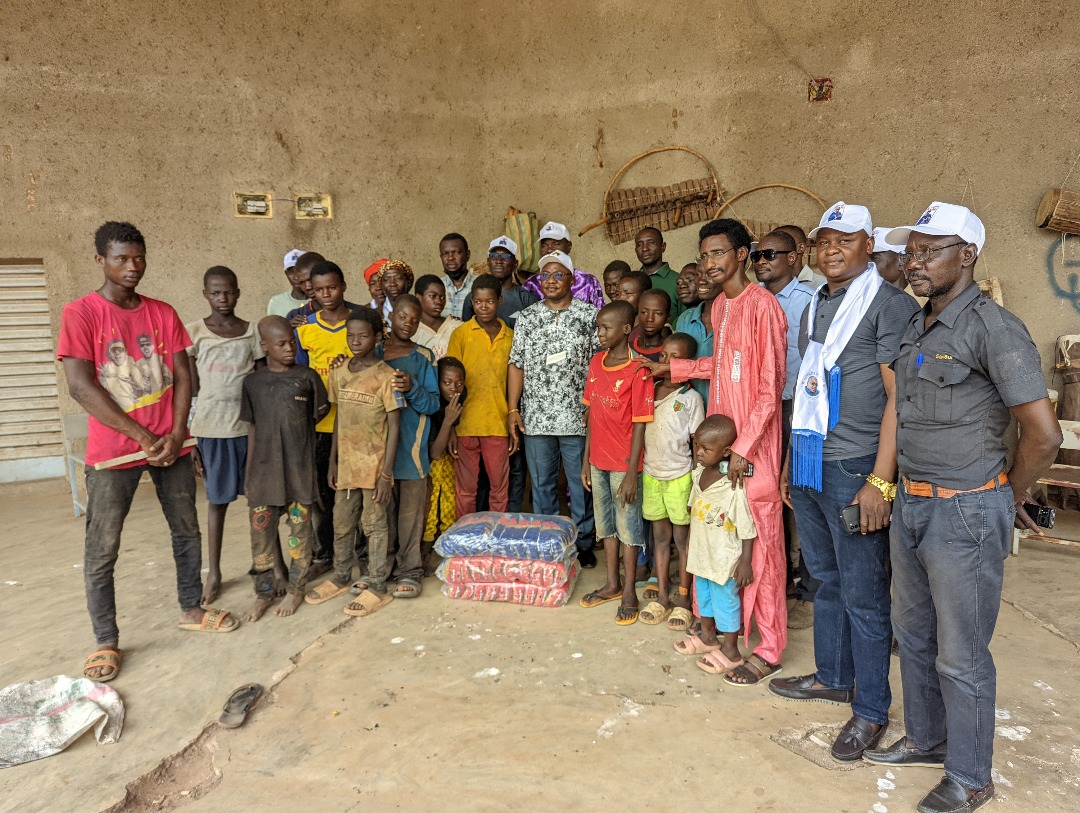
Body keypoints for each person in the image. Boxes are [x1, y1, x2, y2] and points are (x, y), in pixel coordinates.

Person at [863, 203, 1062, 813]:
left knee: (962, 652)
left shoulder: (995, 329)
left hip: (966, 512)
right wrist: (886, 483)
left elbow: (1044, 435)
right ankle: (926, 738)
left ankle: (971, 776)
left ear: (967, 255)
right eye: (912, 252)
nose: (914, 263)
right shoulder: (916, 326)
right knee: (914, 634)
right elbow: (901, 406)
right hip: (914, 505)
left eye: (929, 251)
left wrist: (1010, 491)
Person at [769, 202, 919, 762]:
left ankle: (872, 711)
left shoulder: (889, 305)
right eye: (823, 241)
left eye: (843, 240)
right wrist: (790, 462)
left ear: (868, 244)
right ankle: (834, 677)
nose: (830, 250)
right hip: (811, 460)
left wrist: (881, 482)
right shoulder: (816, 305)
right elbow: (807, 387)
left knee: (864, 593)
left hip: (856, 465)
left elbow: (898, 399)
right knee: (825, 578)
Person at [59, 221, 239, 682]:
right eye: (121, 258)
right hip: (115, 451)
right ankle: (106, 641)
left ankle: (190, 608)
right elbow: (81, 387)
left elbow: (182, 375)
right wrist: (143, 438)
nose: (132, 266)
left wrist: (178, 432)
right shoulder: (81, 313)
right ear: (101, 260)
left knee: (185, 532)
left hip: (171, 445)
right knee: (102, 547)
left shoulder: (162, 312)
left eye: (138, 257)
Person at [644, 218, 787, 687]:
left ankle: (768, 648)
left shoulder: (763, 306)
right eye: (704, 255)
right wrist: (677, 366)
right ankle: (720, 634)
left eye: (718, 253)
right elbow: (722, 366)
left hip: (753, 453)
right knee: (715, 545)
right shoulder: (722, 307)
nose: (709, 263)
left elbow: (769, 387)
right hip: (723, 448)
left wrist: (745, 447)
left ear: (742, 255)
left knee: (760, 552)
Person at [303, 307, 401, 616]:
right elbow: (337, 420)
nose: (356, 341)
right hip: (345, 466)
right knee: (342, 522)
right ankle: (342, 576)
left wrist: (386, 474)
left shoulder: (387, 376)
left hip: (374, 468)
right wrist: (332, 461)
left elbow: (395, 425)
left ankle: (377, 585)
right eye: (351, 336)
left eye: (363, 335)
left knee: (374, 525)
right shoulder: (340, 371)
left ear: (376, 337)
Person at [508, 250, 600, 568]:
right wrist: (512, 409)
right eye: (545, 275)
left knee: (579, 483)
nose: (550, 280)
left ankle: (584, 542)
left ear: (572, 281)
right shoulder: (528, 318)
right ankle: (548, 540)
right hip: (536, 416)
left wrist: (593, 405)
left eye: (558, 274)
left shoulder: (589, 317)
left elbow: (600, 364)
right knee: (542, 483)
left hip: (577, 415)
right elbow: (516, 364)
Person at [240, 316, 329, 621]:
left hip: (298, 470)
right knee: (260, 537)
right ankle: (264, 592)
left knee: (299, 535)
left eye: (292, 341)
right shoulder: (252, 383)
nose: (289, 348)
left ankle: (296, 588)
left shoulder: (308, 378)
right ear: (264, 346)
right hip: (264, 473)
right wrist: (249, 472)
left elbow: (315, 421)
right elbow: (252, 428)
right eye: (280, 344)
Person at [186, 265, 265, 606]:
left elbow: (262, 386)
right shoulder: (195, 334)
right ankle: (214, 572)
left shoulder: (252, 333)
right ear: (205, 294)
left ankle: (262, 565)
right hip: (211, 431)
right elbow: (190, 391)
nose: (222, 298)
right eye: (215, 292)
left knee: (258, 501)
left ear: (238, 292)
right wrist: (191, 441)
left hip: (246, 431)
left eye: (228, 292)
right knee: (216, 503)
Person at [753, 230, 817, 628]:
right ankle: (773, 581)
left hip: (798, 408)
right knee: (764, 495)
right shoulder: (752, 301)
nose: (761, 260)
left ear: (795, 258)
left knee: (801, 498)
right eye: (757, 254)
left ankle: (808, 590)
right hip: (761, 408)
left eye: (771, 253)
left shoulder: (809, 303)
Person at [578, 300, 654, 624]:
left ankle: (629, 593)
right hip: (598, 460)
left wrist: (630, 471)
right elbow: (591, 414)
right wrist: (585, 462)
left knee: (629, 529)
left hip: (624, 464)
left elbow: (640, 423)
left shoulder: (639, 370)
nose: (600, 334)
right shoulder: (596, 363)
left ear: (626, 329)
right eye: (598, 327)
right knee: (606, 526)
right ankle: (611, 583)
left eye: (606, 328)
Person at [673, 414, 756, 676]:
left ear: (726, 452)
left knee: (725, 601)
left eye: (706, 449)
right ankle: (708, 636)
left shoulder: (733, 486)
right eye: (696, 445)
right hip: (701, 553)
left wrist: (745, 562)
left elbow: (746, 528)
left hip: (723, 558)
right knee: (704, 597)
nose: (698, 452)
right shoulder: (698, 473)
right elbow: (693, 503)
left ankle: (731, 650)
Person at [638, 333, 705, 630]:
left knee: (683, 539)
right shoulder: (648, 390)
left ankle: (683, 597)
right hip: (652, 474)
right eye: (663, 356)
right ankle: (662, 594)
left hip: (679, 476)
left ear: (688, 365)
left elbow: (696, 443)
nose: (665, 362)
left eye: (675, 358)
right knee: (660, 538)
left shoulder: (690, 398)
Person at [295, 260, 358, 573]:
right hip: (320, 424)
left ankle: (357, 549)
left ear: (343, 286)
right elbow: (298, 374)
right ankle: (325, 553)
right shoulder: (305, 329)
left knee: (355, 488)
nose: (326, 294)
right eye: (319, 289)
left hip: (355, 421)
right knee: (321, 491)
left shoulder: (357, 324)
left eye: (331, 287)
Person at [377, 293, 441, 597]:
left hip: (411, 450)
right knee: (381, 514)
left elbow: (432, 404)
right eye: (403, 316)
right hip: (377, 452)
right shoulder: (374, 353)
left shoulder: (424, 357)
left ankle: (411, 570)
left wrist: (412, 387)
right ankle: (381, 567)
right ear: (391, 316)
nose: (408, 323)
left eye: (415, 320)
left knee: (411, 516)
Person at [448, 274, 515, 516]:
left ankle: (496, 538)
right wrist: (452, 426)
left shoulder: (510, 337)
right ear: (472, 302)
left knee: (499, 489)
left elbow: (515, 382)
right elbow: (451, 383)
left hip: (497, 424)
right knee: (466, 490)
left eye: (488, 301)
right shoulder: (461, 334)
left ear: (499, 301)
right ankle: (464, 539)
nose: (483, 307)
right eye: (477, 302)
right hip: (465, 424)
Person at [424, 357, 466, 553]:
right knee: (432, 500)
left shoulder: (459, 398)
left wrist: (451, 428)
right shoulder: (432, 405)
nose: (453, 388)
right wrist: (448, 423)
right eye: (446, 382)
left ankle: (447, 537)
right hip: (431, 459)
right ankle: (426, 543)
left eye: (459, 383)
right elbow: (435, 452)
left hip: (447, 460)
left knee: (449, 495)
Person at [522, 221, 605, 308]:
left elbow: (600, 315)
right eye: (544, 246)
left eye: (556, 244)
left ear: (569, 246)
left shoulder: (587, 281)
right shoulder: (532, 284)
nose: (549, 250)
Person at [461, 236, 538, 329]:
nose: (499, 261)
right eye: (494, 256)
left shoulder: (527, 300)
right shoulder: (473, 299)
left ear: (515, 264)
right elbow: (466, 334)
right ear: (488, 262)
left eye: (506, 256)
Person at [675, 267, 723, 405]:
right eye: (698, 275)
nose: (702, 280)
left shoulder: (733, 318)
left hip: (725, 408)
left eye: (709, 275)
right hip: (690, 408)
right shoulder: (685, 319)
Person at [634, 227, 684, 319]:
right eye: (639, 245)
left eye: (651, 243)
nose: (645, 248)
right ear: (635, 250)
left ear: (663, 247)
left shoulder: (678, 281)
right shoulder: (632, 282)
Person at [413, 275, 462, 360]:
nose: (439, 301)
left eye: (442, 297)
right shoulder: (412, 331)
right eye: (432, 296)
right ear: (418, 298)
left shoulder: (458, 327)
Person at [284, 251, 328, 326]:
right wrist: (290, 330)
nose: (308, 287)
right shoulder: (295, 316)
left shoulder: (352, 312)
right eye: (301, 282)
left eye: (310, 279)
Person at [778, 224, 827, 289]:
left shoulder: (822, 286)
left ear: (801, 247)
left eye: (783, 242)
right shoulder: (765, 286)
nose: (775, 248)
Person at [438, 233, 474, 319]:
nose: (450, 258)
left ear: (467, 255)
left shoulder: (480, 286)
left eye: (456, 252)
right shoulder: (436, 287)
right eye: (445, 253)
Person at [629, 288, 671, 360]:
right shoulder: (628, 348)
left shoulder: (670, 352)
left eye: (657, 313)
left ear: (667, 318)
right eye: (644, 312)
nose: (650, 319)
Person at [267, 248, 308, 318]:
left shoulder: (321, 300)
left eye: (300, 271)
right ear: (286, 273)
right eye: (291, 272)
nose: (296, 277)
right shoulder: (276, 302)